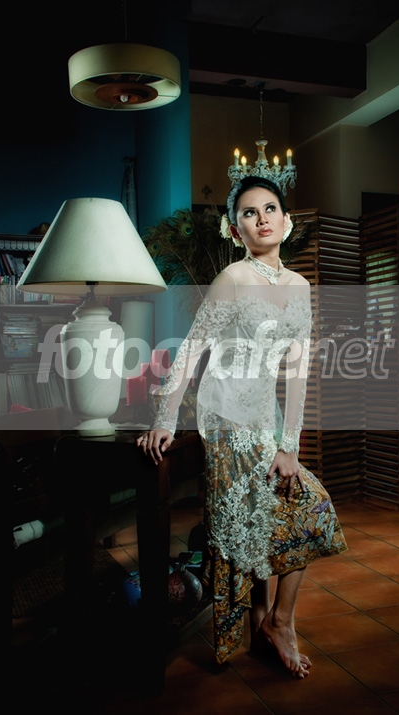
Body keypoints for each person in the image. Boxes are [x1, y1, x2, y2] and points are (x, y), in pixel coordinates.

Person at [136, 175, 348, 679]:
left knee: (294, 510)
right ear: (236, 230)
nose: (262, 219)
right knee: (273, 516)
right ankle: (273, 623)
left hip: (266, 417)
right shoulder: (232, 277)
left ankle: (272, 622)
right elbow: (192, 347)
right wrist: (165, 418)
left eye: (270, 208)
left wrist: (289, 445)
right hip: (226, 416)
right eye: (249, 213)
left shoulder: (300, 286)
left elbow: (297, 368)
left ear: (287, 220)